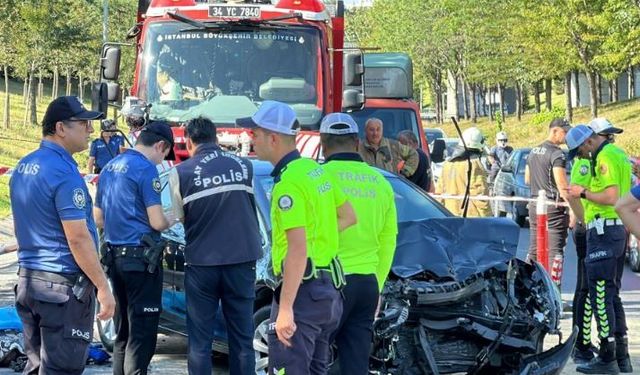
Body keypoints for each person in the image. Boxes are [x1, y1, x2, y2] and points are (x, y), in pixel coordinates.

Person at [237, 100, 357, 374]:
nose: (249, 139)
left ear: (273, 137)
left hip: (303, 295)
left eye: (254, 133)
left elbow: (297, 250)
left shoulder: (289, 183)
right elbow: (349, 217)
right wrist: (315, 236)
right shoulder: (315, 171)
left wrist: (286, 308)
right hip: (329, 293)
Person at [9, 95, 115, 374]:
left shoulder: (23, 167)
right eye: (83, 123)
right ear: (60, 128)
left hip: (30, 281)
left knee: (36, 366)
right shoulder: (63, 172)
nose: (90, 130)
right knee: (62, 369)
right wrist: (103, 287)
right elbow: (77, 237)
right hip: (61, 288)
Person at [167, 117, 262, 375]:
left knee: (200, 341)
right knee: (242, 339)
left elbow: (179, 216)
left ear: (188, 141)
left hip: (202, 264)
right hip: (241, 261)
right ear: (216, 138)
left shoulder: (181, 172)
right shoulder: (245, 166)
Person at [94, 121, 176, 375]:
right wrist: (175, 216)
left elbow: (98, 218)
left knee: (123, 334)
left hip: (114, 260)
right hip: (141, 262)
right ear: (160, 145)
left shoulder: (109, 167)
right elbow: (157, 221)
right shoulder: (145, 170)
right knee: (142, 337)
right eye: (164, 155)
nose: (162, 161)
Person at [320, 113, 397, 375]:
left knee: (313, 361)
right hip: (366, 285)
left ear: (322, 144)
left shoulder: (317, 179)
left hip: (327, 283)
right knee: (356, 366)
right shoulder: (381, 182)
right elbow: (388, 241)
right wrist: (377, 284)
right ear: (356, 144)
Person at [566, 124, 632, 374]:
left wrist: (582, 192)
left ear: (587, 142)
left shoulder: (603, 157)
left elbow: (612, 196)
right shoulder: (618, 154)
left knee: (600, 296)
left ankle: (607, 357)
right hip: (616, 230)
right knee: (612, 295)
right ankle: (621, 355)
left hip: (603, 230)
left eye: (579, 151)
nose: (580, 157)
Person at [524, 118, 571, 288]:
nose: (566, 136)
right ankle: (554, 295)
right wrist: (572, 207)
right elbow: (562, 185)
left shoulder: (533, 151)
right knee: (555, 252)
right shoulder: (557, 154)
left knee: (534, 249)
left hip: (535, 204)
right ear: (554, 131)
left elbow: (527, 179)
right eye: (565, 132)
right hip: (553, 207)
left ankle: (527, 290)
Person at [565, 131, 595, 364]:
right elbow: (573, 194)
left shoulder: (595, 160)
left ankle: (583, 340)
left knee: (588, 288)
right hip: (586, 228)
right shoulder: (584, 163)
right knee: (584, 289)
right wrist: (583, 219)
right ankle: (581, 342)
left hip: (590, 227)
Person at [435, 127, 492, 217]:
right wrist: (488, 218)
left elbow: (439, 192)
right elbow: (480, 196)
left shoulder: (448, 164)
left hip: (450, 217)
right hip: (471, 220)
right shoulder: (474, 165)